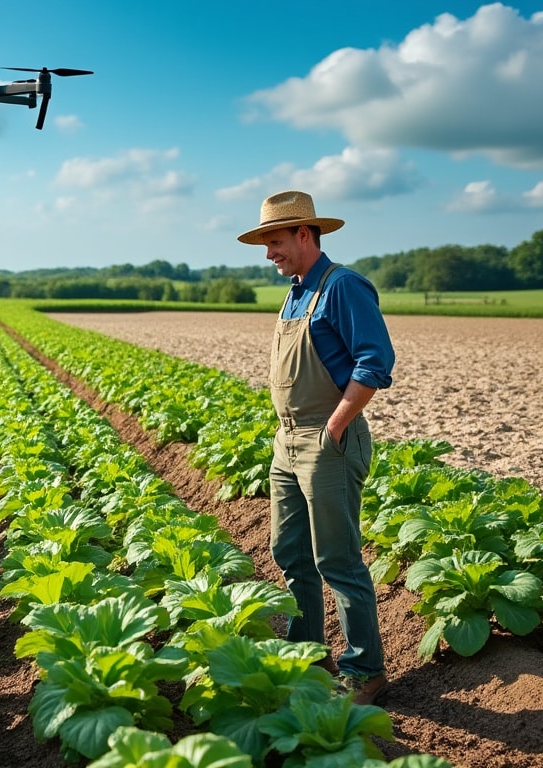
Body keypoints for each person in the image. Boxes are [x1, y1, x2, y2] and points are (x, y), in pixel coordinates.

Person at [237, 190, 394, 706]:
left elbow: (374, 363)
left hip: (327, 440)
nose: (269, 254)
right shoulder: (296, 291)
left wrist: (334, 428)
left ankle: (365, 671)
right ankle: (306, 652)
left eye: (275, 242)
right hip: (286, 439)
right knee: (290, 552)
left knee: (337, 560)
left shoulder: (343, 286)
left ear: (304, 234)